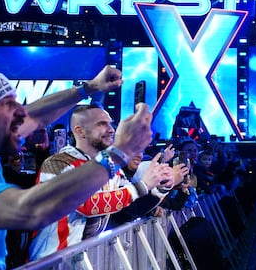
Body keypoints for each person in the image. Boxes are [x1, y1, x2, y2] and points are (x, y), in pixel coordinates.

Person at [0, 58, 152, 270]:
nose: (22, 111)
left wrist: (89, 88)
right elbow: (29, 210)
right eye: (7, 104)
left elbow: (36, 116)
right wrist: (119, 153)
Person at [28, 104, 173, 261]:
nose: (111, 130)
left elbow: (130, 207)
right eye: (102, 124)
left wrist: (159, 187)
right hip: (49, 263)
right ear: (80, 131)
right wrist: (143, 185)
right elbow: (88, 204)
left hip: (83, 261)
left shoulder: (110, 167)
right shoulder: (57, 164)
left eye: (110, 124)